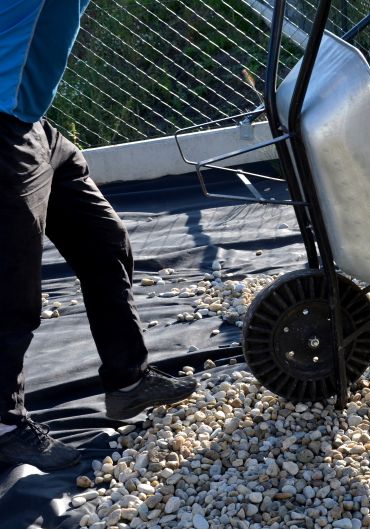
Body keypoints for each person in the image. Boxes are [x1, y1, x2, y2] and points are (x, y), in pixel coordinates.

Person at [0, 1, 197, 471]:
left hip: (31, 124)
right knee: (12, 289)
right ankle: (5, 427)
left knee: (104, 241)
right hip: (2, 133)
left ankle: (128, 380)